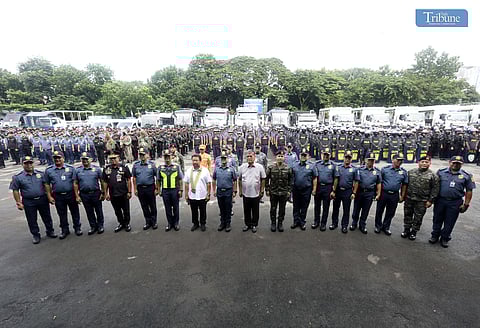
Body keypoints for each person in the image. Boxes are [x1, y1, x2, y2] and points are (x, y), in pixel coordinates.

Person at [429, 156, 475, 248]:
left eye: (458, 163)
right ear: (449, 162)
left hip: (455, 202)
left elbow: (469, 191)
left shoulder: (467, 175)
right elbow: (434, 186)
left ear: (462, 164)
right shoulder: (441, 172)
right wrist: (431, 199)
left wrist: (466, 204)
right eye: (453, 162)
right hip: (440, 200)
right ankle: (435, 235)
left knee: (450, 221)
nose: (455, 164)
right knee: (437, 219)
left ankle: (445, 238)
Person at [9, 156, 57, 244]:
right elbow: (15, 190)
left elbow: (46, 185)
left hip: (42, 199)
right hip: (29, 201)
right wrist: (18, 202)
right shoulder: (18, 177)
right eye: (26, 163)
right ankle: (36, 235)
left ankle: (50, 231)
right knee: (31, 219)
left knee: (47, 216)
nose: (29, 165)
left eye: (30, 163)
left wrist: (49, 196)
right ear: (22, 164)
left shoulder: (41, 174)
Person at [44, 151, 82, 239]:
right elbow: (46, 184)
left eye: (59, 158)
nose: (57, 160)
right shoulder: (49, 170)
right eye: (55, 158)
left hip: (70, 194)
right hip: (58, 195)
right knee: (61, 214)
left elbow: (75, 182)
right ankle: (64, 230)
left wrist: (77, 195)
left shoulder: (71, 168)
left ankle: (77, 228)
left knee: (75, 212)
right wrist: (49, 196)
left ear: (63, 158)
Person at [402, 155, 439, 240]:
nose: (424, 164)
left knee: (418, 217)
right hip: (409, 198)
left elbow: (435, 189)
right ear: (418, 162)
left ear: (430, 163)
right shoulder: (411, 172)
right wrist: (403, 196)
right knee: (407, 214)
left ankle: (414, 232)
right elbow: (405, 185)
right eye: (422, 162)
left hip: (422, 200)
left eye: (427, 162)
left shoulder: (433, 175)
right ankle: (406, 230)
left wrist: (430, 201)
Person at [374, 154, 408, 235]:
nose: (400, 162)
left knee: (390, 212)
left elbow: (404, 185)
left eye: (401, 160)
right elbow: (379, 182)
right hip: (384, 193)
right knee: (379, 210)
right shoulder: (385, 170)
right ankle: (378, 226)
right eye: (398, 160)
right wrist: (378, 193)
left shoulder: (403, 172)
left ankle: (386, 227)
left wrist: (402, 196)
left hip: (394, 195)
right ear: (393, 160)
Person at [73, 152, 106, 235]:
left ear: (91, 159)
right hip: (84, 194)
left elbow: (102, 181)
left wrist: (103, 192)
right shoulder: (78, 170)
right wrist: (77, 195)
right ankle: (93, 226)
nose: (85, 161)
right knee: (89, 211)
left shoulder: (97, 169)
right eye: (83, 159)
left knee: (98, 210)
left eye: (86, 159)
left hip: (95, 193)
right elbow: (75, 183)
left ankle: (100, 225)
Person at [350, 152, 382, 234]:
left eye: (373, 160)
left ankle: (362, 225)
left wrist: (378, 194)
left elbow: (378, 183)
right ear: (365, 160)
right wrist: (354, 192)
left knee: (366, 210)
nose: (371, 162)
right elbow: (356, 181)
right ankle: (354, 223)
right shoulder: (359, 169)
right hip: (360, 192)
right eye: (369, 160)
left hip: (369, 193)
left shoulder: (377, 171)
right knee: (356, 208)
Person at [102, 151, 133, 233]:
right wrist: (106, 193)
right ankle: (121, 223)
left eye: (114, 158)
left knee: (126, 210)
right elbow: (105, 182)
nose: (113, 160)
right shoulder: (107, 169)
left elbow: (129, 179)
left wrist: (129, 192)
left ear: (118, 158)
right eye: (111, 159)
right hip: (113, 194)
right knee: (117, 210)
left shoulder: (124, 167)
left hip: (123, 193)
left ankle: (127, 224)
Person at [330, 151, 359, 233]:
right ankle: (334, 223)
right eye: (346, 157)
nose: (347, 159)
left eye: (349, 158)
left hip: (348, 192)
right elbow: (335, 179)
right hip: (338, 191)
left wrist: (354, 193)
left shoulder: (354, 169)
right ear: (343, 157)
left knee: (346, 210)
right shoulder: (338, 167)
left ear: (351, 159)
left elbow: (356, 181)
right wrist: (333, 191)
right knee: (335, 208)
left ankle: (344, 226)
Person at [238, 150, 266, 233]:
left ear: (254, 157)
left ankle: (254, 224)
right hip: (245, 193)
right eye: (248, 156)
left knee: (255, 210)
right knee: (246, 210)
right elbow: (239, 179)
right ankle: (247, 224)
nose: (249, 158)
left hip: (256, 193)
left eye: (251, 156)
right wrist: (240, 190)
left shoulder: (259, 167)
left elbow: (263, 179)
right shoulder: (242, 167)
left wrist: (262, 190)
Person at [265, 150, 293, 232]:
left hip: (284, 192)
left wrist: (289, 191)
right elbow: (267, 179)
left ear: (284, 158)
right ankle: (273, 223)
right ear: (276, 157)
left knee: (282, 209)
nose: (280, 158)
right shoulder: (271, 168)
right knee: (273, 209)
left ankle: (280, 223)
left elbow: (291, 180)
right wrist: (267, 189)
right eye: (278, 156)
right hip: (273, 192)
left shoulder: (288, 168)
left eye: (281, 156)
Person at [291, 148, 317, 230]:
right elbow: (291, 176)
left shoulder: (312, 165)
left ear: (308, 156)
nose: (303, 156)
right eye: (302, 155)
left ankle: (302, 222)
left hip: (307, 189)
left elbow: (315, 178)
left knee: (304, 206)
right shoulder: (294, 164)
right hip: (296, 189)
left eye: (305, 155)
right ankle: (296, 221)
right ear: (299, 156)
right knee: (296, 206)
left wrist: (314, 189)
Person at [313, 149, 339, 231]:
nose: (325, 156)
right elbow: (314, 176)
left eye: (327, 155)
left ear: (330, 155)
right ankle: (316, 222)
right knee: (317, 206)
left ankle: (323, 223)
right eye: (324, 154)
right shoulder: (317, 164)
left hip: (327, 188)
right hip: (318, 187)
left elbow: (336, 178)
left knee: (326, 207)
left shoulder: (333, 165)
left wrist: (333, 190)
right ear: (321, 154)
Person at [132, 148, 158, 230]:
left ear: (147, 155)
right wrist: (135, 189)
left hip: (150, 187)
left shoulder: (152, 165)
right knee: (144, 206)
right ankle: (147, 221)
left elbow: (157, 177)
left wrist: (157, 188)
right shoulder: (136, 165)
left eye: (143, 154)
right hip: (140, 188)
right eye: (140, 155)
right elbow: (134, 178)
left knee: (152, 205)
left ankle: (154, 222)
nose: (142, 156)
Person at [184, 154, 212, 231]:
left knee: (203, 210)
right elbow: (186, 183)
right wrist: (186, 195)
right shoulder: (189, 171)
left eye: (196, 160)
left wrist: (208, 194)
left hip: (202, 195)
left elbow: (209, 183)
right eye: (193, 160)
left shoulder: (205, 171)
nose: (195, 162)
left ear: (200, 161)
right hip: (192, 195)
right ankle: (195, 223)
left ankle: (203, 223)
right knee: (194, 211)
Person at [158, 150, 183, 231]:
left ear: (171, 157)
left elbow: (180, 179)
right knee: (167, 208)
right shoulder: (160, 167)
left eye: (168, 156)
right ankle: (169, 223)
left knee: (176, 207)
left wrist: (181, 190)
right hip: (165, 190)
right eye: (165, 157)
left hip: (174, 190)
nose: (167, 158)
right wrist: (159, 190)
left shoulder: (176, 166)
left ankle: (176, 223)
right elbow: (158, 180)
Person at [212, 150, 237, 232]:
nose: (223, 160)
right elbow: (214, 179)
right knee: (221, 207)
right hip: (220, 191)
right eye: (222, 158)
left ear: (227, 159)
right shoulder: (217, 169)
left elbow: (235, 180)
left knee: (228, 207)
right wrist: (214, 190)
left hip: (228, 191)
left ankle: (228, 223)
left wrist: (234, 191)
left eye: (225, 158)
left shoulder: (231, 169)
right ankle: (222, 223)